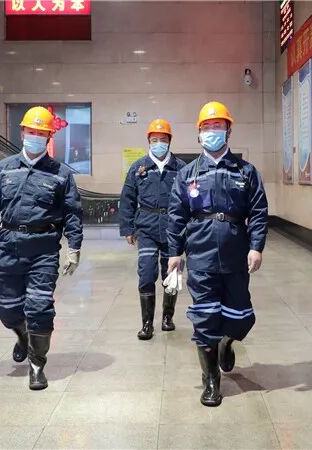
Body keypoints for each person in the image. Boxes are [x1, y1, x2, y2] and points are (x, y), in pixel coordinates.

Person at [167, 101, 268, 407]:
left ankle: (227, 342)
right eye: (207, 127)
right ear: (199, 133)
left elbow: (258, 212)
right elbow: (176, 215)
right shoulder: (187, 174)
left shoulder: (245, 172)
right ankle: (211, 380)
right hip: (201, 256)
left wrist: (256, 246)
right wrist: (175, 253)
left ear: (228, 131)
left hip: (236, 254)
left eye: (218, 126)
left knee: (241, 317)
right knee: (205, 318)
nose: (212, 131)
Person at [0, 106, 83, 391]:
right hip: (8, 247)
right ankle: (23, 336)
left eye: (41, 133)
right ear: (22, 133)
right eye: (31, 131)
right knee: (7, 309)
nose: (35, 136)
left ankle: (37, 365)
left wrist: (74, 247)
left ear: (48, 137)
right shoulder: (5, 168)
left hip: (43, 250)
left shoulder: (61, 174)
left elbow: (72, 214)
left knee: (39, 307)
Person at [119, 119, 186, 340]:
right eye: (154, 139)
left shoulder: (181, 168)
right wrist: (128, 228)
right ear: (148, 141)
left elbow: (189, 202)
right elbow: (127, 198)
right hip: (146, 227)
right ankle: (147, 323)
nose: (158, 143)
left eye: (163, 139)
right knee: (146, 273)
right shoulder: (139, 168)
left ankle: (167, 317)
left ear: (169, 141)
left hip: (173, 229)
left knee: (171, 275)